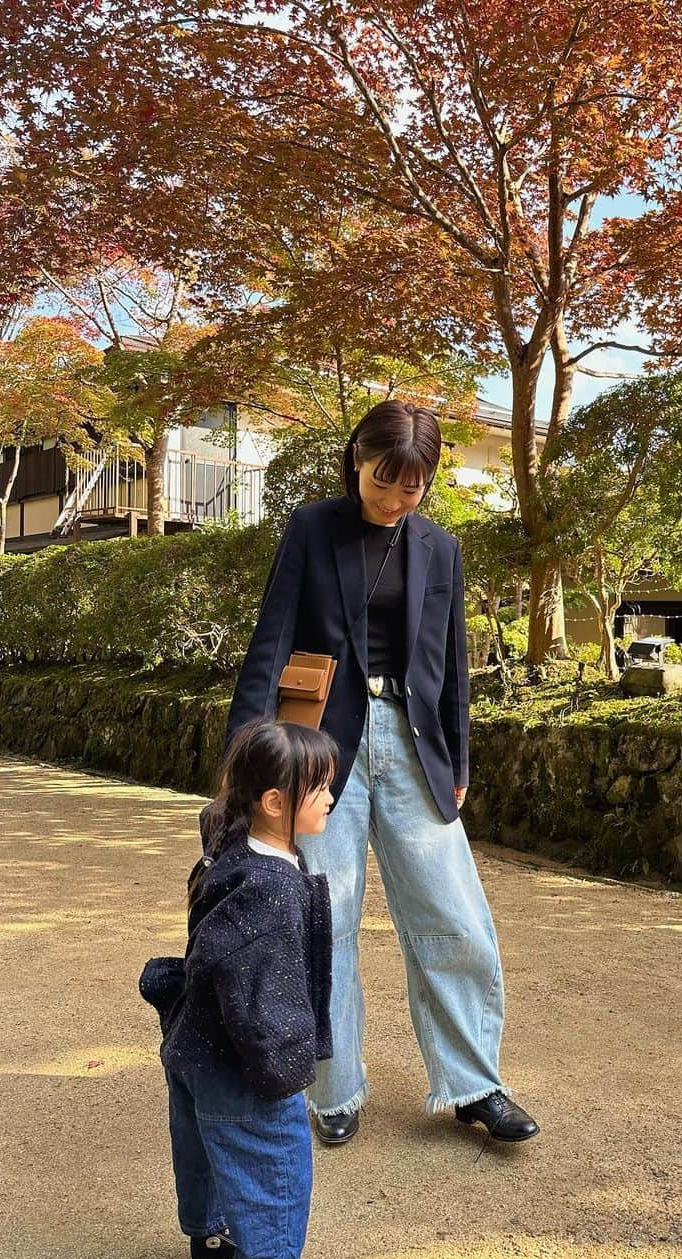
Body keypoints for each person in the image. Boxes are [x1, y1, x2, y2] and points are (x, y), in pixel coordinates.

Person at [225, 399, 538, 1147]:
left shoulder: (440, 549)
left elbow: (450, 665)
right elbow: (272, 640)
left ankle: (474, 1085)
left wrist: (457, 759)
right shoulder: (313, 528)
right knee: (323, 917)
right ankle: (333, 1089)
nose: (395, 498)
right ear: (357, 460)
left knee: (453, 916)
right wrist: (246, 755)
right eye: (382, 480)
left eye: (412, 486)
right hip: (323, 747)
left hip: (414, 740)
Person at [139, 718, 339, 1259]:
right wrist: (280, 1065)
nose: (332, 795)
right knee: (269, 1149)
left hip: (195, 1040)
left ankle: (213, 1234)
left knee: (204, 1138)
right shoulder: (271, 886)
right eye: (320, 786)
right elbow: (258, 990)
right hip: (240, 1054)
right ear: (275, 802)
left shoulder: (235, 848)